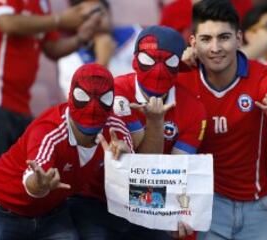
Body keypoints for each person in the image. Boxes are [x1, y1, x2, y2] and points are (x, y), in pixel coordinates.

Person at [67, 25, 207, 240]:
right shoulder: (115, 91)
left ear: (178, 64)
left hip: (148, 201)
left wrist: (176, 213)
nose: (158, 71)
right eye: (149, 60)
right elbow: (141, 162)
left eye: (169, 63)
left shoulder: (194, 109)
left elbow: (173, 169)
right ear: (134, 60)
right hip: (96, 198)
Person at [177, 0, 267, 239]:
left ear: (239, 38)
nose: (215, 48)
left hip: (258, 207)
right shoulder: (181, 80)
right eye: (205, 39)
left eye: (224, 37)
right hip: (207, 204)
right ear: (193, 42)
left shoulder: (265, 77)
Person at [0, 63, 132, 239]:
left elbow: (133, 186)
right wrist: (40, 184)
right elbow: (34, 180)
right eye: (83, 96)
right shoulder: (49, 130)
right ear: (71, 96)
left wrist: (126, 162)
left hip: (51, 213)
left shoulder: (116, 131)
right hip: (0, 206)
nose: (93, 107)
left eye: (104, 98)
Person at [0, 0, 102, 165]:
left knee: (15, 179)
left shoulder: (42, 3)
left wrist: (80, 38)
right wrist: (60, 20)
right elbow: (7, 23)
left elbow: (52, 48)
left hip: (20, 104)